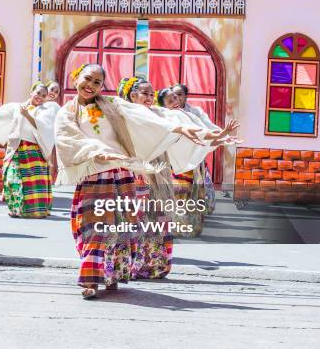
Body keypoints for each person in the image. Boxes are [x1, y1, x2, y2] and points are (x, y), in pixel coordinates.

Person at [55, 64, 216, 299]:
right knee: (93, 229)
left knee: (122, 229)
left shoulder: (112, 105)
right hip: (96, 175)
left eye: (97, 82)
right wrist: (100, 151)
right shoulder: (67, 112)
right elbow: (68, 138)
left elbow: (146, 119)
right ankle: (90, 279)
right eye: (87, 79)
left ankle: (112, 275)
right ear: (76, 77)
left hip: (124, 174)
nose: (90, 86)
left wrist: (180, 127)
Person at [159, 87, 240, 216]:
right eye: (170, 101)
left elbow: (205, 129)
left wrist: (222, 137)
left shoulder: (191, 112)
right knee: (181, 195)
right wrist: (223, 135)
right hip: (177, 162)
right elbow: (201, 133)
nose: (176, 100)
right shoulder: (172, 115)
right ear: (164, 105)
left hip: (189, 159)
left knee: (188, 195)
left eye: (177, 96)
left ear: (185, 96)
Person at [0, 82, 55, 218]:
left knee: (33, 183)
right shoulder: (17, 107)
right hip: (16, 147)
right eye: (38, 93)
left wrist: (27, 115)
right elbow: (2, 118)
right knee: (11, 179)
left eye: (44, 95)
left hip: (33, 150)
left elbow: (43, 127)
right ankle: (15, 208)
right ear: (31, 92)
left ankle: (34, 211)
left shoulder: (45, 111)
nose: (40, 97)